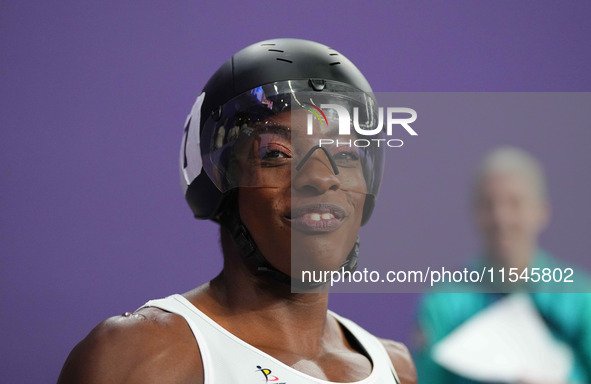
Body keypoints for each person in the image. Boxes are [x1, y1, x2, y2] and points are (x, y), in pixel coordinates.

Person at [57, 38, 417, 384]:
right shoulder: (141, 358)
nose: (322, 178)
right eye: (276, 153)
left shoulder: (395, 367)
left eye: (345, 155)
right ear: (220, 180)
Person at [413, 146, 591, 383]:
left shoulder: (579, 297)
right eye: (489, 205)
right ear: (475, 212)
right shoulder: (445, 301)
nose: (501, 218)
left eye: (515, 203)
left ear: (542, 211)